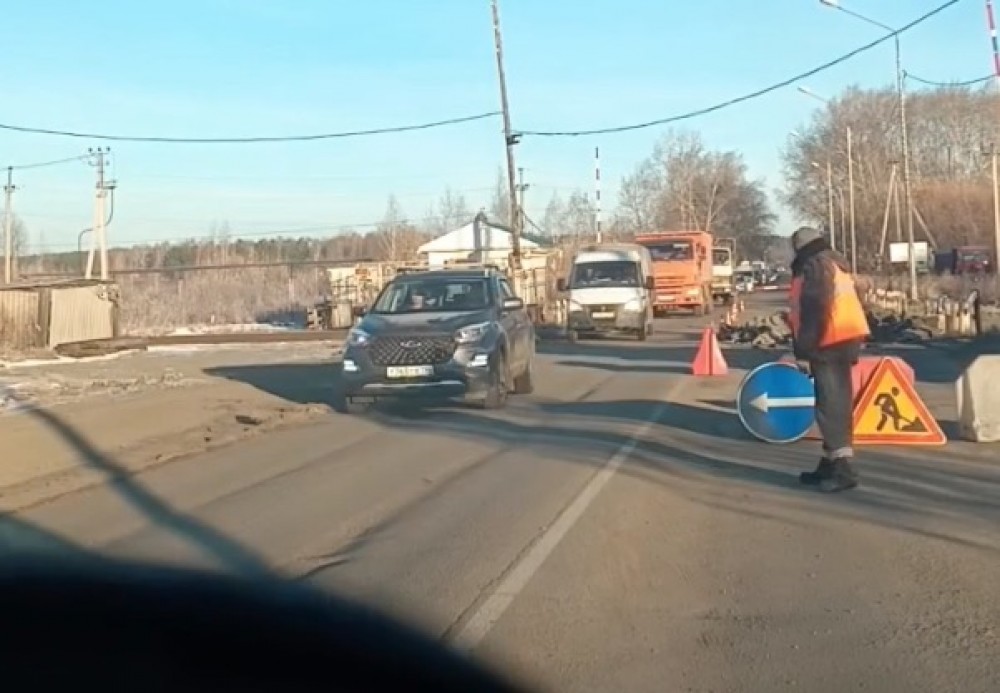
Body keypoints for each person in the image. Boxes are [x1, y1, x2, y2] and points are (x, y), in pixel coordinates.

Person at [787, 226, 871, 492]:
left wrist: (804, 350)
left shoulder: (815, 265)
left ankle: (842, 468)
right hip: (844, 336)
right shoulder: (834, 262)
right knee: (835, 400)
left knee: (831, 403)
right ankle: (830, 462)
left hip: (829, 340)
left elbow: (815, 309)